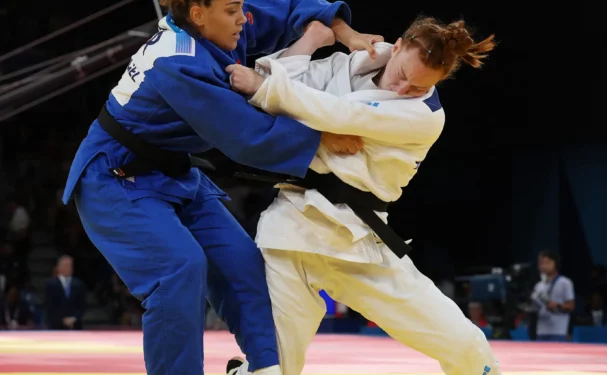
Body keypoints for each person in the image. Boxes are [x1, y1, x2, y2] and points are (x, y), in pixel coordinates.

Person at [61, 0, 382, 374]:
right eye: (232, 11)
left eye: (241, 7)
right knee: (179, 268)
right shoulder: (177, 62)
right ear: (198, 14)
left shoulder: (224, 22)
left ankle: (266, 369)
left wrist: (346, 34)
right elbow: (247, 136)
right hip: (115, 178)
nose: (243, 19)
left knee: (244, 263)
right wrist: (321, 138)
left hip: (175, 172)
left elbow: (290, 5)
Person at [224, 17, 498, 375]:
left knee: (464, 345)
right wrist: (308, 43)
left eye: (417, 87)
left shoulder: (425, 116)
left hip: (357, 241)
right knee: (274, 367)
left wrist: (263, 86)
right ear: (396, 46)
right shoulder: (355, 62)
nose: (402, 89)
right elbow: (294, 87)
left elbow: (335, 113)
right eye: (401, 74)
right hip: (291, 228)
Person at [530, 250, 575, 342]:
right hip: (541, 331)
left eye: (547, 263)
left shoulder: (565, 283)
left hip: (559, 331)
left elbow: (571, 306)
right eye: (541, 263)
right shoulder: (539, 285)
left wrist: (557, 305)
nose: (543, 266)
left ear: (555, 263)